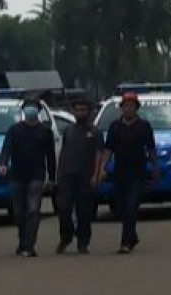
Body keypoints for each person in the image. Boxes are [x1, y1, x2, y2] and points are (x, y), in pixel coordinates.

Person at [0, 97, 57, 257]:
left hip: (36, 176)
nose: (30, 110)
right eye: (27, 107)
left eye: (33, 107)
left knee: (33, 210)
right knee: (19, 212)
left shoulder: (45, 132)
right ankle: (22, 240)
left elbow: (50, 156)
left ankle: (30, 245)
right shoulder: (14, 130)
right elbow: (6, 149)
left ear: (38, 111)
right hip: (17, 175)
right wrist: (3, 164)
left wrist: (52, 177)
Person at [103, 92, 158, 254]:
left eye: (132, 106)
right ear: (121, 108)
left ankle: (125, 242)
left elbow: (151, 149)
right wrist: (101, 169)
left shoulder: (144, 126)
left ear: (136, 108)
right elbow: (108, 151)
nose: (128, 109)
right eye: (126, 106)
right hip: (119, 172)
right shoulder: (114, 127)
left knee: (132, 206)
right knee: (120, 208)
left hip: (137, 173)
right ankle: (132, 235)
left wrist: (155, 168)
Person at [55, 97, 107, 255]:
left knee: (84, 213)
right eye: (77, 110)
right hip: (67, 176)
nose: (80, 113)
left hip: (86, 177)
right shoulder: (69, 131)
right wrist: (59, 174)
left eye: (83, 110)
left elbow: (100, 154)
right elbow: (64, 152)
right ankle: (66, 236)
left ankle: (83, 243)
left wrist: (97, 174)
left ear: (89, 112)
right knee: (63, 209)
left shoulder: (95, 132)